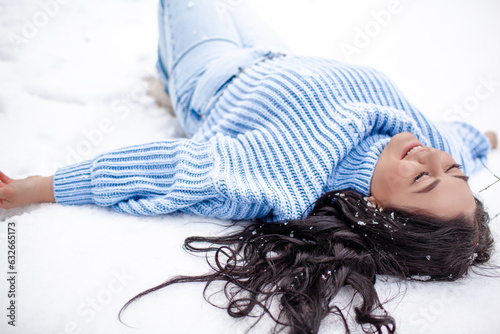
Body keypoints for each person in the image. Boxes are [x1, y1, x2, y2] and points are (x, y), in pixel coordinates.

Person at [0, 1, 497, 333]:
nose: (431, 156)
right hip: (278, 59)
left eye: (422, 178)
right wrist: (487, 140)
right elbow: (460, 140)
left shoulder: (286, 177)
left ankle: (171, 80)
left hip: (216, 76)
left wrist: (41, 187)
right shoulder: (427, 142)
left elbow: (168, 169)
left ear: (375, 210)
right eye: (451, 169)